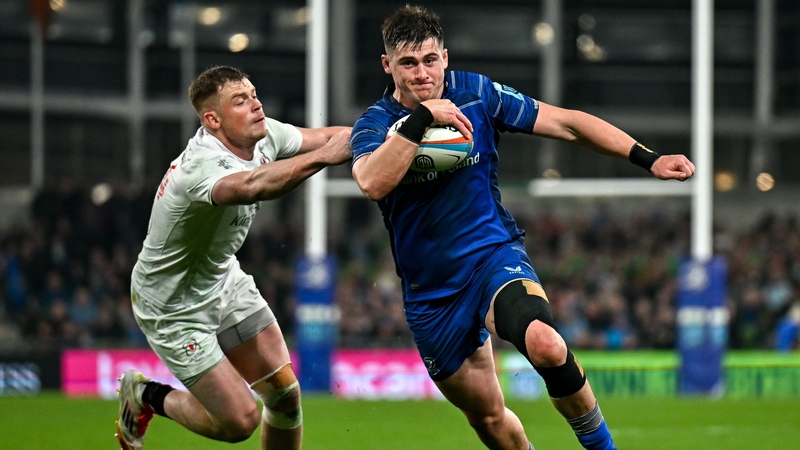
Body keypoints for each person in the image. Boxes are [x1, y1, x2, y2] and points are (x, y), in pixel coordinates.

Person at [350, 6, 695, 450]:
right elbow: (371, 181)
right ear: (387, 65)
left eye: (430, 60)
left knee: (547, 345)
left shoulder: (476, 94)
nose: (422, 73)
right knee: (491, 421)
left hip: (493, 257)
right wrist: (422, 120)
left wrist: (648, 158)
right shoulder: (375, 124)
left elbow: (566, 122)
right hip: (432, 296)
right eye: (408, 63)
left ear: (446, 58)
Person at [115, 65, 351, 450]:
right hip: (173, 305)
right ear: (213, 120)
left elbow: (327, 136)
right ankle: (146, 396)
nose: (256, 105)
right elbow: (253, 185)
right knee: (240, 422)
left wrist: (392, 133)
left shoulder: (263, 134)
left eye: (254, 95)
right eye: (241, 101)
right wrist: (326, 156)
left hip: (222, 279)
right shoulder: (200, 166)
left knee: (285, 398)